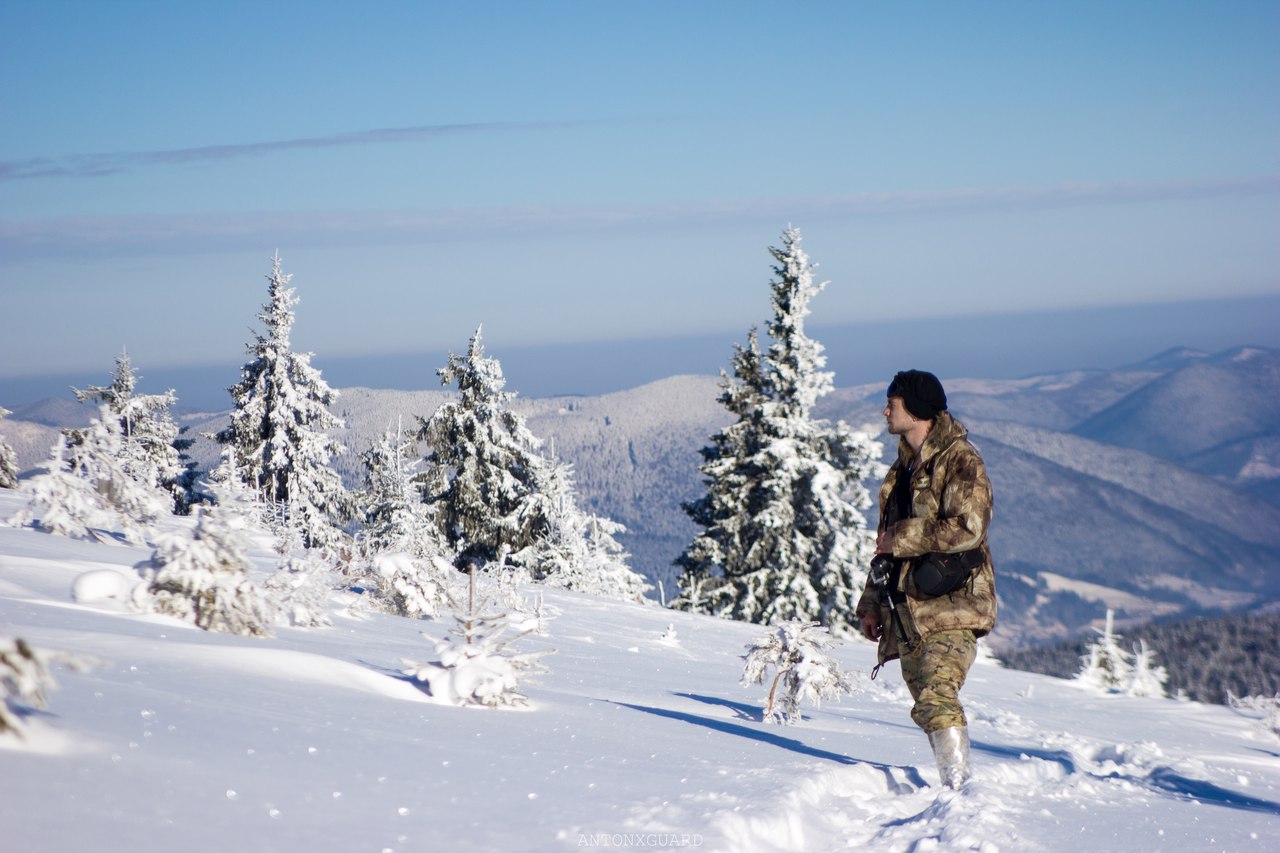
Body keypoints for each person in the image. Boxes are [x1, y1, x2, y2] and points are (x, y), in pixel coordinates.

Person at [855, 369, 997, 789]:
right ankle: (954, 787)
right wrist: (871, 604)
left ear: (916, 411)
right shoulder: (901, 472)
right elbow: (885, 548)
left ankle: (961, 792)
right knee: (925, 701)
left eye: (892, 404)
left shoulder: (961, 461)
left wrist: (904, 536)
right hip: (909, 610)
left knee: (936, 696)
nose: (884, 411)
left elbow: (969, 528)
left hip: (955, 605)